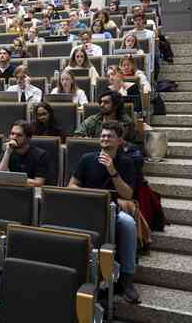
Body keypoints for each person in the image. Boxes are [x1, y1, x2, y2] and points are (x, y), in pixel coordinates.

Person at [68, 121, 139, 304]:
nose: (105, 139)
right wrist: (89, 195)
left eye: (110, 136)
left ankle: (127, 279)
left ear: (120, 141)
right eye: (103, 136)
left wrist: (112, 171)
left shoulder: (126, 162)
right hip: (87, 207)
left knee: (129, 224)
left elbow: (128, 194)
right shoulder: (87, 158)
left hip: (113, 209)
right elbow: (72, 185)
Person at [0, 121, 47, 187]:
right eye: (12, 134)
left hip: (30, 192)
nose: (14, 137)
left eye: (19, 135)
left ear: (28, 138)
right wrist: (7, 153)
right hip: (9, 189)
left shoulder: (41, 155)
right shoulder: (8, 150)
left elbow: (38, 183)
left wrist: (9, 178)